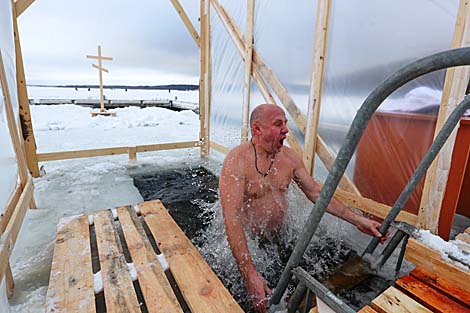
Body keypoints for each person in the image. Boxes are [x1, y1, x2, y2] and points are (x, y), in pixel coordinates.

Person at [219, 104, 389, 313]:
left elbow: (316, 194)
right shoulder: (236, 162)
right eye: (278, 124)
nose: (286, 130)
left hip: (280, 235)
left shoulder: (289, 158)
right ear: (257, 129)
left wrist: (358, 220)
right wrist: (250, 274)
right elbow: (232, 217)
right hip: (250, 242)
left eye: (286, 124)